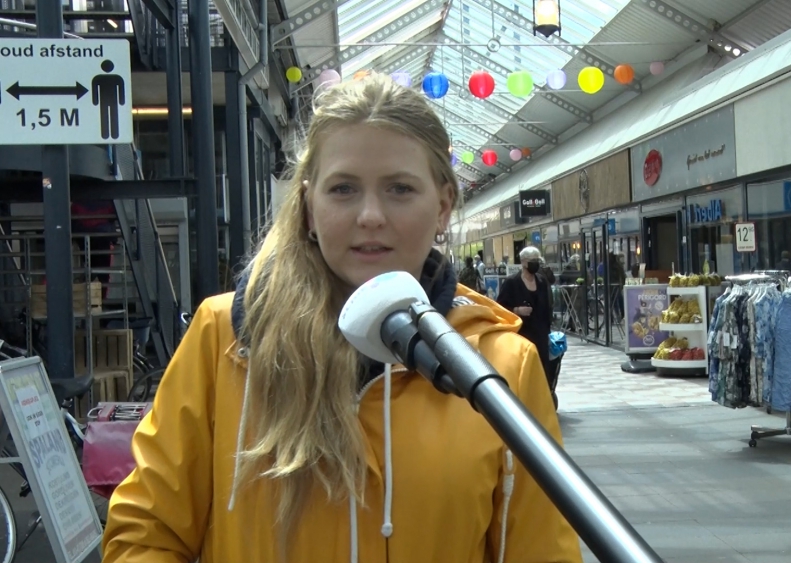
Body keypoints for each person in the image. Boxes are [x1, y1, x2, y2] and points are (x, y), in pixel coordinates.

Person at [102, 73, 581, 563]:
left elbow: (542, 549)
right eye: (343, 189)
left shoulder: (502, 367)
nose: (370, 215)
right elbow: (145, 534)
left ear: (442, 206)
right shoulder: (223, 338)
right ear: (309, 207)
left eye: (399, 188)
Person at [496, 246, 556, 393]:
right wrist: (517, 310)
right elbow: (500, 308)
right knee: (525, 369)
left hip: (541, 334)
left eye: (537, 260)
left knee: (543, 370)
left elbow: (548, 305)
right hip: (522, 334)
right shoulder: (512, 283)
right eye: (532, 260)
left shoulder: (541, 282)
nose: (535, 263)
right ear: (523, 262)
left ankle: (543, 400)